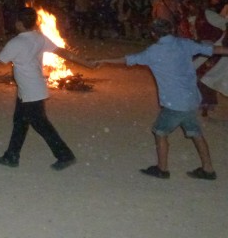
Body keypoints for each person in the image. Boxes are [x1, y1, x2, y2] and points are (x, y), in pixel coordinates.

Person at [96, 19, 228, 180]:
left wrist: (103, 60)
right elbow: (214, 49)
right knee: (196, 133)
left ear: (153, 33)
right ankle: (208, 169)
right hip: (191, 99)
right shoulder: (184, 43)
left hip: (175, 103)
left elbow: (127, 59)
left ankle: (162, 169)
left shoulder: (154, 51)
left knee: (160, 132)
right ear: (171, 29)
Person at [0, 7, 94, 170]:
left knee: (40, 124)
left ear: (19, 23)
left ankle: (65, 155)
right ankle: (11, 155)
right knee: (20, 122)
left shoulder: (16, 42)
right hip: (32, 88)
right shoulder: (39, 38)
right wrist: (86, 63)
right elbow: (62, 52)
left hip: (30, 91)